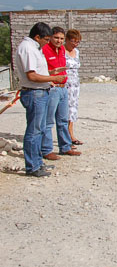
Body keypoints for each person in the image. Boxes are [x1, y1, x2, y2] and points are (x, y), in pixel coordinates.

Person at [15, 22, 66, 177]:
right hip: (34, 93)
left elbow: (36, 72)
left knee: (39, 129)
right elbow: (32, 76)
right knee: (34, 131)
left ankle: (37, 162)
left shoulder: (32, 47)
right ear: (37, 37)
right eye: (46, 39)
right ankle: (32, 166)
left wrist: (50, 72)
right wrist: (54, 77)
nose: (47, 42)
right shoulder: (28, 49)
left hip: (39, 92)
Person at [41, 27, 81, 160]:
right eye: (56, 38)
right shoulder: (44, 50)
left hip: (65, 87)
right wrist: (49, 80)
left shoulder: (62, 50)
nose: (59, 41)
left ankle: (65, 147)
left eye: (61, 38)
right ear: (51, 37)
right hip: (53, 88)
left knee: (63, 119)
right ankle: (46, 150)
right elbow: (41, 68)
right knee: (48, 121)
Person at [65, 29, 83, 144]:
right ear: (66, 40)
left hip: (75, 85)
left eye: (77, 42)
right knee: (63, 111)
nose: (75, 44)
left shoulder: (76, 51)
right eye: (73, 41)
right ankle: (65, 136)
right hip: (64, 84)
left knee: (72, 110)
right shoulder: (61, 51)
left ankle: (71, 135)